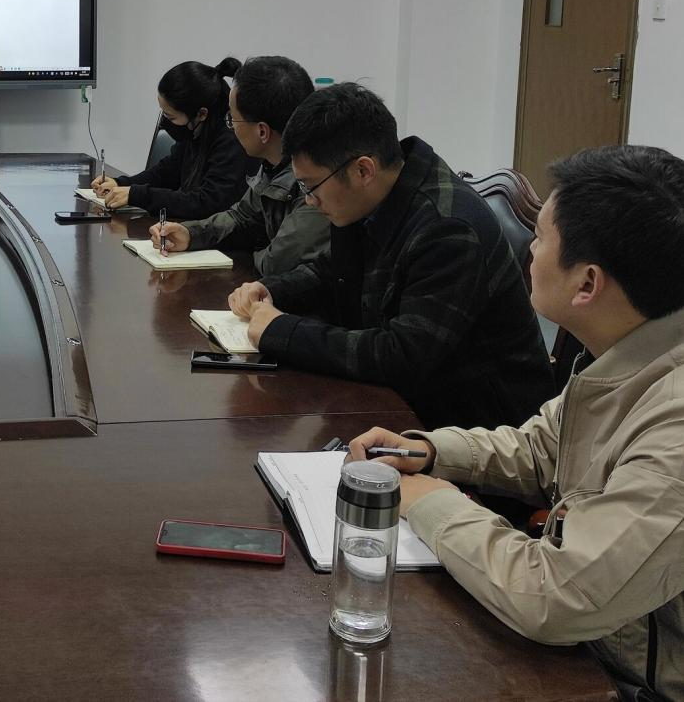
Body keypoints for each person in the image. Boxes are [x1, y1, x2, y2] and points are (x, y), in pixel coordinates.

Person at [348, 145, 684, 702]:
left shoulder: (675, 428)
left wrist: (431, 502)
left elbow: (554, 597)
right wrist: (432, 452)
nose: (529, 248)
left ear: (587, 284)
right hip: (597, 646)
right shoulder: (630, 348)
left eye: (542, 237)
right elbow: (541, 447)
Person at [227, 83, 552, 430]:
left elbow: (402, 356)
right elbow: (332, 272)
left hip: (477, 424)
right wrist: (272, 290)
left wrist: (283, 331)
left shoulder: (448, 230)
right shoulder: (370, 196)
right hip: (410, 401)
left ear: (363, 170)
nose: (308, 200)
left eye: (311, 186)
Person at [144, 56, 329, 276]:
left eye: (232, 119)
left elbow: (274, 263)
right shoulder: (273, 166)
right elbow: (240, 217)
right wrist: (190, 234)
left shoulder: (315, 184)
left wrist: (253, 245)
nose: (229, 126)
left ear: (262, 131)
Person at [93, 57, 254, 219]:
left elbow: (207, 203)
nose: (165, 122)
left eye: (170, 116)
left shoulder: (232, 141)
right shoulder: (197, 130)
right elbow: (166, 172)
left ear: (201, 114)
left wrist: (138, 195)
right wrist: (120, 184)